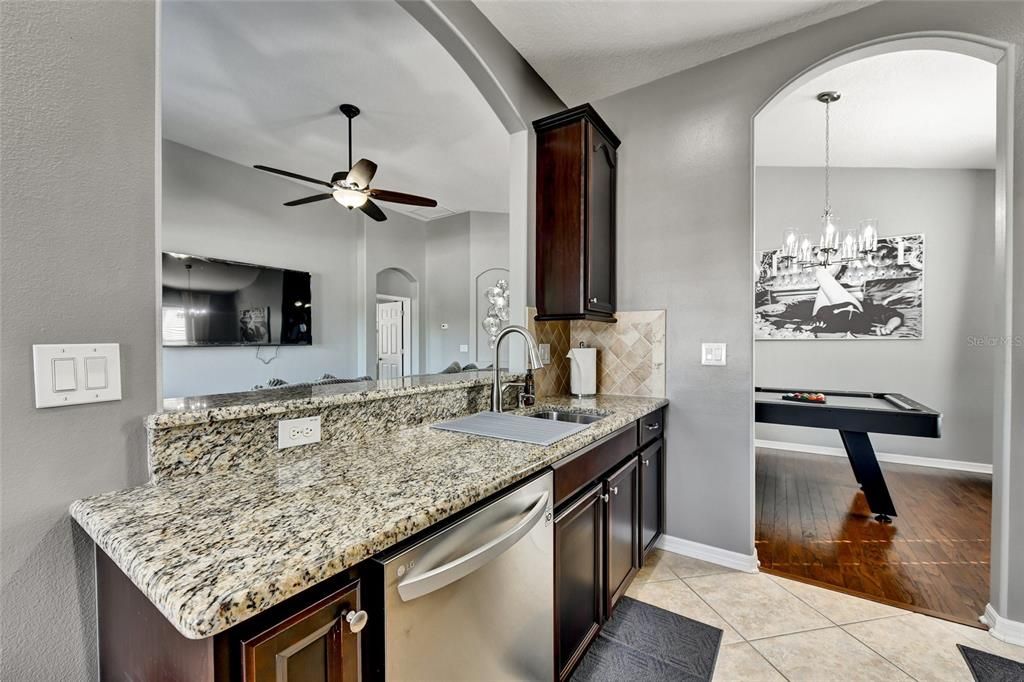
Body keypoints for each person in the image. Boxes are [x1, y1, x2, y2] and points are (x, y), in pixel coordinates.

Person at [761, 265, 904, 337]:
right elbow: (793, 308)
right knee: (821, 282)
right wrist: (781, 307)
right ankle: (832, 269)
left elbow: (894, 315)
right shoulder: (811, 302)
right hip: (823, 314)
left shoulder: (864, 305)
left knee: (820, 274)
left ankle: (832, 267)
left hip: (850, 313)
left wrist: (889, 328)